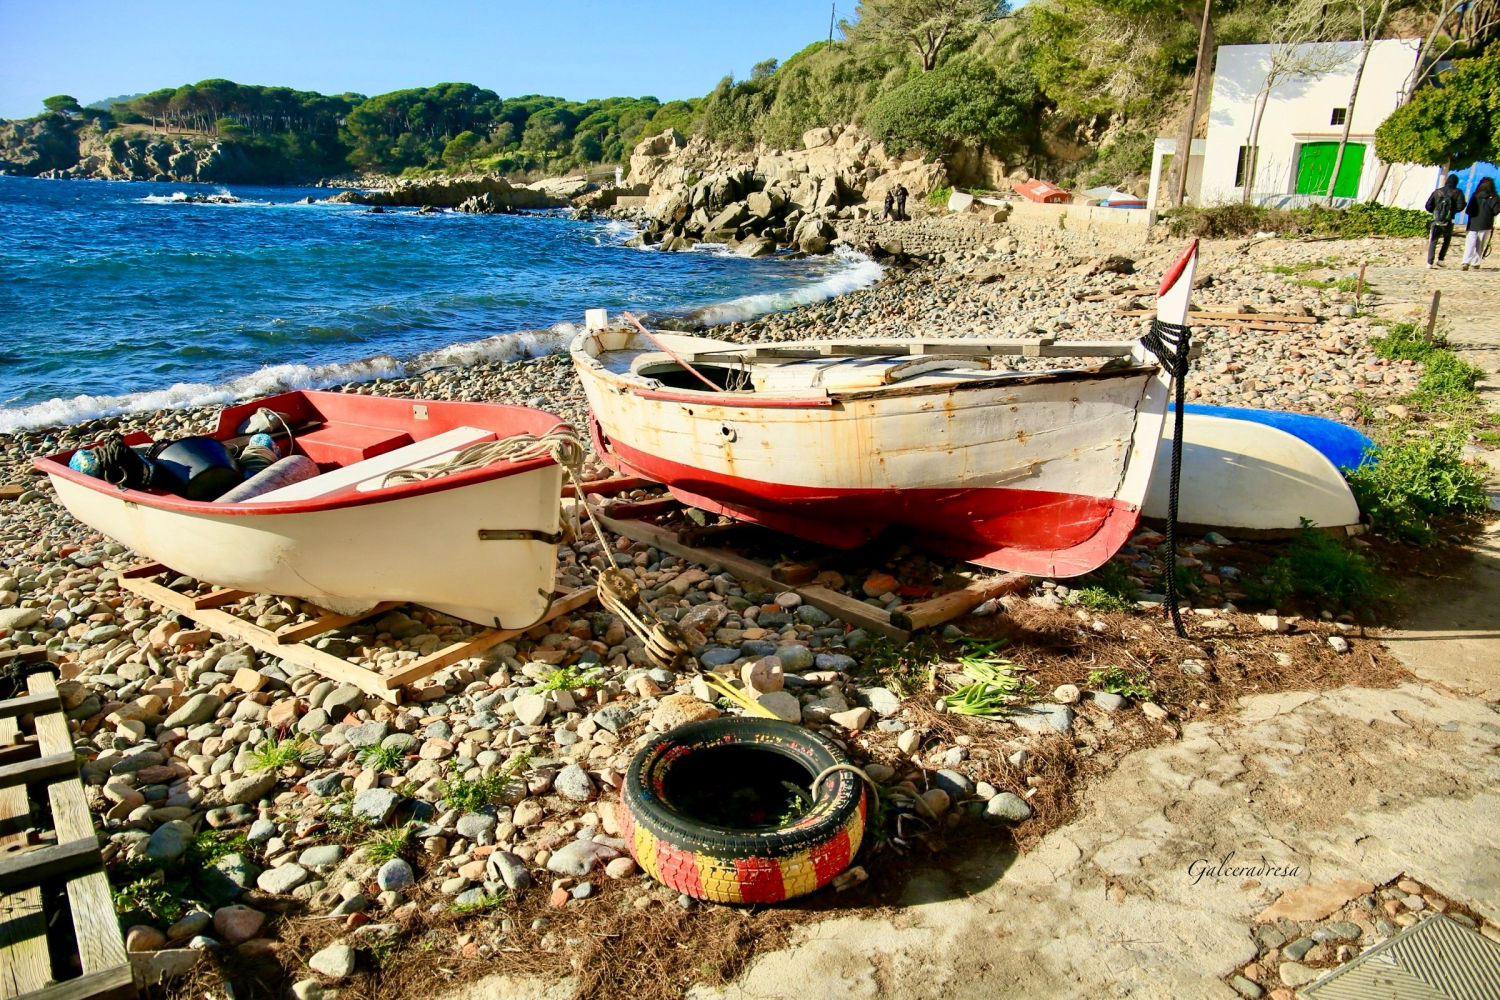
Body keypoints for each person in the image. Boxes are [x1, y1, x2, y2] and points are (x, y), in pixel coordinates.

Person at [1425, 174, 1464, 268]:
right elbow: (1461, 206)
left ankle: (1429, 262)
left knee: (1433, 240)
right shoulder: (1457, 192)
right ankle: (1441, 259)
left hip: (1436, 220)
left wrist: (1435, 212)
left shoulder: (1437, 192)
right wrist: (1452, 211)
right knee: (1446, 240)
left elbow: (1428, 205)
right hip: (1449, 220)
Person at [1462, 176, 1498, 271]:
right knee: (1480, 244)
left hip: (1473, 223)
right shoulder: (1494, 197)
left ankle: (1466, 261)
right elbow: (1496, 211)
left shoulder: (1475, 196)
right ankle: (1476, 263)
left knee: (1470, 243)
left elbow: (1468, 210)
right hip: (1485, 224)